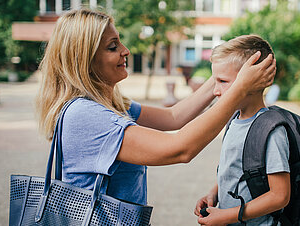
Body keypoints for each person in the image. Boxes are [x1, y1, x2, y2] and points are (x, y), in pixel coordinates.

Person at [35, 9, 276, 207]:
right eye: (112, 46)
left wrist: (231, 70)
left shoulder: (113, 106)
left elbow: (174, 117)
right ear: (84, 59)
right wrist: (239, 89)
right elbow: (180, 149)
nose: (125, 50)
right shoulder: (85, 116)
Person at [194, 35, 290, 226]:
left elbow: (280, 196)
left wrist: (227, 215)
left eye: (222, 81)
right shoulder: (233, 121)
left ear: (253, 81)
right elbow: (237, 172)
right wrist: (214, 193)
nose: (215, 90)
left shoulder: (270, 131)